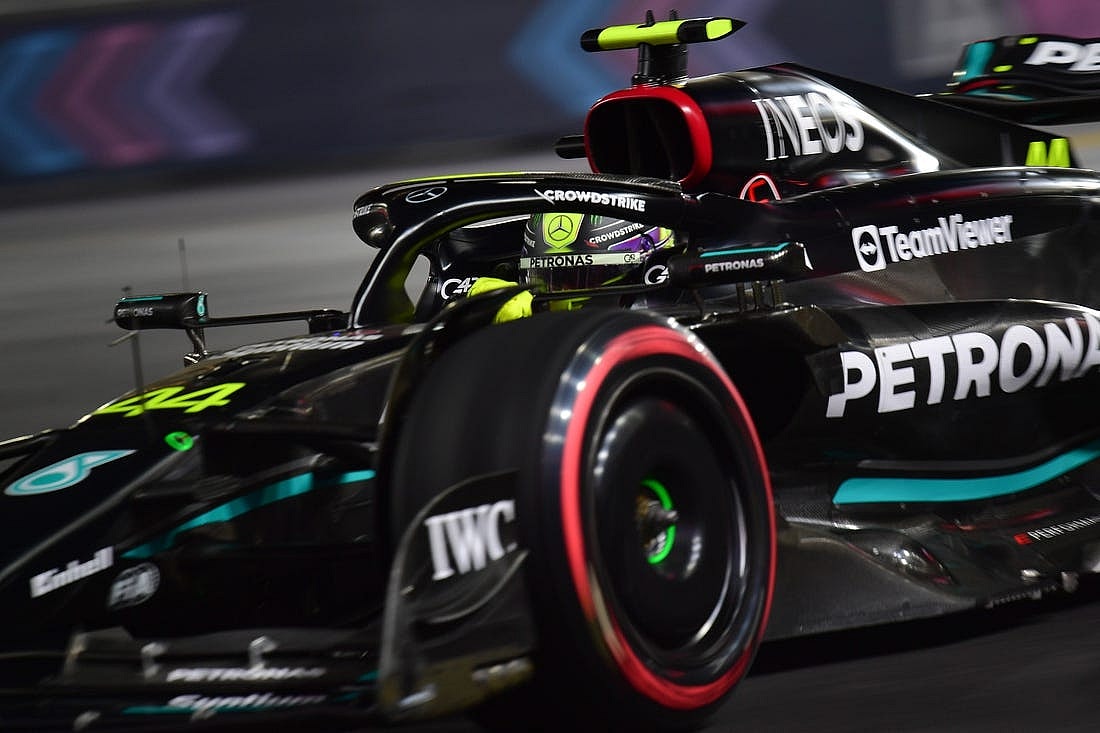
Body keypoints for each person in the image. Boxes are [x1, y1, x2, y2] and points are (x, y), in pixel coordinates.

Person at [468, 213, 676, 323]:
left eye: (589, 275)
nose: (562, 294)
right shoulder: (510, 311)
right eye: (548, 277)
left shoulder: (692, 303)